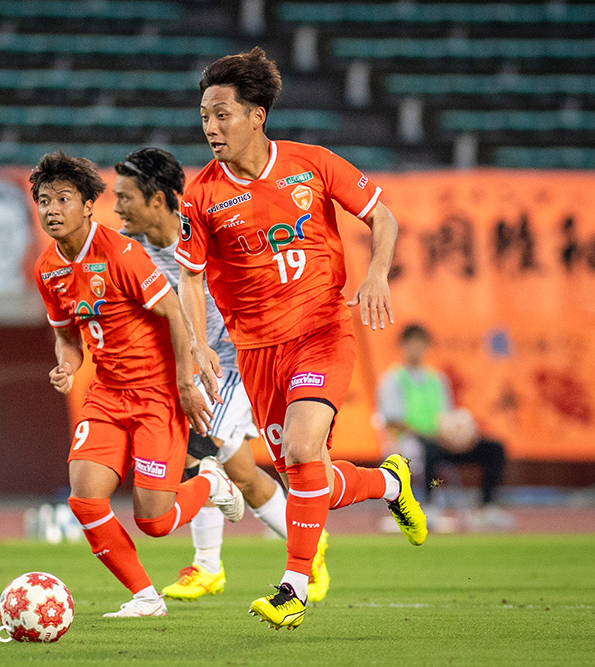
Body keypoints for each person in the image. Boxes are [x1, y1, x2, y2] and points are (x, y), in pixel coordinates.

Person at [175, 47, 427, 630]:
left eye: (222, 114)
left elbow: (382, 216)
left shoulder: (310, 163)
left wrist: (377, 274)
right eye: (205, 116)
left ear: (256, 115)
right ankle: (389, 482)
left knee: (302, 448)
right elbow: (189, 275)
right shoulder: (202, 195)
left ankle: (293, 588)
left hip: (321, 330)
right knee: (305, 474)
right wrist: (197, 342)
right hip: (255, 351)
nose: (211, 127)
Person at [31, 151, 246, 618]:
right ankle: (146, 597)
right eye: (44, 201)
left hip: (155, 395)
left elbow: (175, 312)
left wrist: (186, 384)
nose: (52, 210)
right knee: (85, 498)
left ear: (89, 205)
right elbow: (67, 337)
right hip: (107, 395)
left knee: (155, 521)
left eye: (63, 199)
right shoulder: (47, 268)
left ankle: (210, 482)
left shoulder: (121, 254)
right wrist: (66, 366)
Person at [112, 147, 329, 604]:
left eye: (125, 197)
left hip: (236, 361)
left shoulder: (207, 233)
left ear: (157, 199)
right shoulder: (132, 252)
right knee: (243, 476)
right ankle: (309, 539)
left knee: (195, 455)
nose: (117, 207)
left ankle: (207, 565)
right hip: (193, 370)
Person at [376, 323, 511, 530]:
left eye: (420, 343)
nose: (416, 348)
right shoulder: (393, 380)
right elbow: (393, 421)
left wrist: (459, 434)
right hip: (409, 443)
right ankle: (429, 506)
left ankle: (487, 507)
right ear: (402, 346)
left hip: (442, 440)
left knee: (494, 448)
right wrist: (431, 435)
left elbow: (447, 416)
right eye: (411, 343)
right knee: (427, 447)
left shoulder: (437, 380)